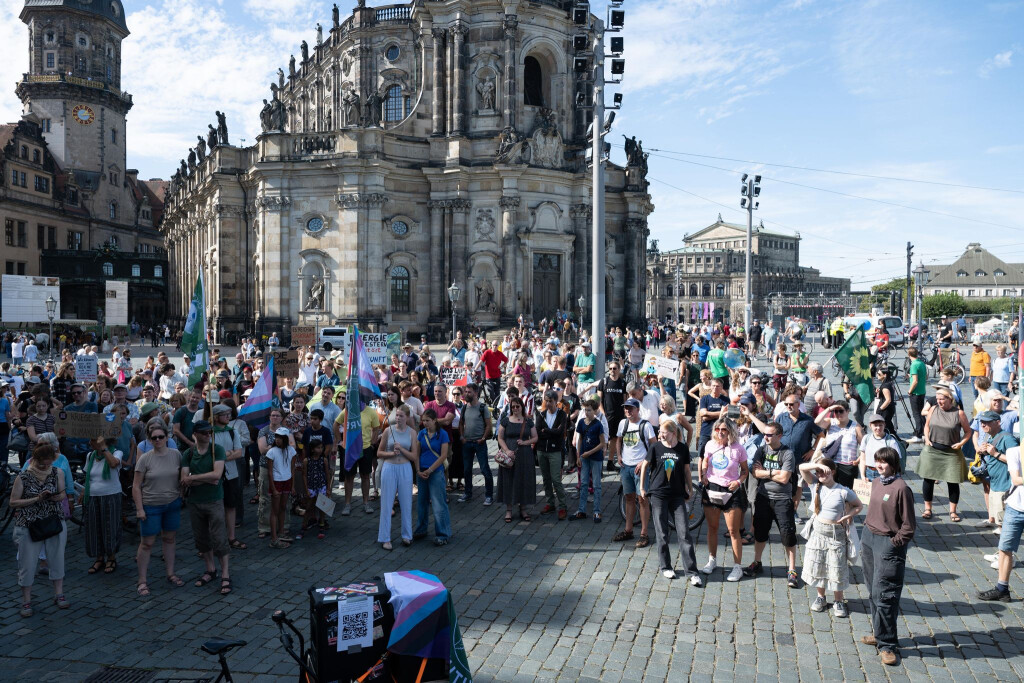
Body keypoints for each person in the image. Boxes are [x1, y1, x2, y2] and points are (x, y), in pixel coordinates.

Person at [860, 447, 916, 667]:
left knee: (886, 594)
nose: (880, 465)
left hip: (887, 544)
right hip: (869, 539)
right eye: (877, 461)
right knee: (873, 591)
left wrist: (893, 545)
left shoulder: (901, 488)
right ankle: (879, 632)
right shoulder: (876, 482)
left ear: (894, 464)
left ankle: (888, 645)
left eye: (884, 462)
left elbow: (909, 526)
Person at [9, 443, 69, 617]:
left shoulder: (57, 472)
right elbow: (13, 502)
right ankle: (26, 601)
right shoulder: (23, 477)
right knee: (27, 563)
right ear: (35, 459)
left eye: (49, 463)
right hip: (29, 524)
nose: (46, 466)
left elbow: (63, 494)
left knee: (57, 559)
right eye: (42, 463)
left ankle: (59, 593)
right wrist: (36, 499)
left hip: (53, 521)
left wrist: (58, 496)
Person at [799, 458, 862, 618]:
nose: (820, 474)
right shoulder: (815, 485)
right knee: (819, 565)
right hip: (818, 534)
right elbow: (802, 468)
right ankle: (821, 597)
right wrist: (818, 465)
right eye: (818, 472)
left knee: (836, 567)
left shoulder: (843, 491)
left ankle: (838, 600)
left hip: (836, 535)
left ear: (833, 472)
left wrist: (848, 515)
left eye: (824, 471)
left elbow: (858, 505)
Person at [639, 420, 700, 585]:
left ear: (673, 432)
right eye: (660, 432)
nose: (660, 434)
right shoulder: (655, 447)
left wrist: (690, 488)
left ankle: (692, 571)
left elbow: (687, 469)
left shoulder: (682, 448)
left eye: (663, 432)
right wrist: (642, 488)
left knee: (684, 533)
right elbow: (645, 466)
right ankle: (666, 567)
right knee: (662, 533)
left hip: (678, 495)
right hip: (658, 495)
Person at [133, 421, 186, 595]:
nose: (157, 440)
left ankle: (170, 573)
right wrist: (139, 509)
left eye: (161, 437)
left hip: (172, 503)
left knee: (169, 539)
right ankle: (142, 581)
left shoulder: (176, 454)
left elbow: (182, 477)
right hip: (151, 505)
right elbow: (136, 486)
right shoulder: (145, 459)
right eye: (154, 437)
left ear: (167, 437)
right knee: (147, 543)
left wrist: (181, 493)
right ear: (149, 439)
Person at [181, 420, 232, 596]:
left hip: (214, 500)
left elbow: (217, 475)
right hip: (195, 501)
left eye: (209, 432)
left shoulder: (216, 450)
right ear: (195, 434)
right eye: (203, 432)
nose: (207, 435)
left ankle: (225, 573)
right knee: (201, 538)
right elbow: (184, 478)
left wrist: (194, 478)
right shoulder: (188, 453)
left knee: (219, 537)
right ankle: (210, 569)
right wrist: (204, 478)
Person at [745, 422, 798, 586]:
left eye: (769, 435)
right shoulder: (761, 450)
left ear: (779, 436)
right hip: (763, 497)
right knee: (760, 533)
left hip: (782, 499)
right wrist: (774, 472)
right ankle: (757, 562)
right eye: (765, 434)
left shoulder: (787, 453)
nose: (765, 437)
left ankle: (792, 570)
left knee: (788, 535)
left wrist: (766, 473)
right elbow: (755, 472)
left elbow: (784, 479)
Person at [699, 418, 749, 582]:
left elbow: (745, 471)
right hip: (712, 490)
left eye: (724, 430)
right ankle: (712, 559)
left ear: (730, 432)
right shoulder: (710, 445)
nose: (720, 432)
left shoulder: (738, 448)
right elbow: (705, 460)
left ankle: (737, 567)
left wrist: (738, 482)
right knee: (712, 528)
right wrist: (704, 473)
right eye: (717, 429)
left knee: (734, 532)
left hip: (731, 492)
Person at [918, 387, 972, 522]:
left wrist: (961, 444)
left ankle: (953, 511)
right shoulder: (933, 409)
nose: (939, 401)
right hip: (932, 450)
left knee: (953, 481)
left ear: (950, 399)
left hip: (951, 452)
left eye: (941, 399)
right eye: (937, 399)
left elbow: (968, 432)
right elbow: (927, 425)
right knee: (928, 479)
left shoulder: (959, 413)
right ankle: (928, 509)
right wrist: (927, 438)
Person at [613, 398, 656, 547]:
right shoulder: (622, 423)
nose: (628, 411)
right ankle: (628, 530)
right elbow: (619, 440)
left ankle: (644, 534)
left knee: (643, 499)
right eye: (626, 408)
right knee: (629, 498)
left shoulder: (645, 425)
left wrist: (643, 462)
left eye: (631, 408)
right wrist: (618, 455)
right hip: (626, 466)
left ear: (638, 410)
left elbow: (653, 446)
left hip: (640, 468)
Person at [376, 405, 418, 550]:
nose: (398, 418)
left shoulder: (412, 433)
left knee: (406, 502)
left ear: (407, 417)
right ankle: (385, 538)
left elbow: (414, 456)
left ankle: (407, 535)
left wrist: (402, 450)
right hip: (389, 468)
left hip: (405, 468)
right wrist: (392, 453)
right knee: (387, 503)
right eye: (397, 415)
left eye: (401, 416)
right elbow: (379, 453)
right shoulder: (388, 430)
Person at [82, 435, 123, 576]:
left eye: (93, 440)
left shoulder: (116, 452)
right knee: (94, 527)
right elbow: (88, 476)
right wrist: (83, 492)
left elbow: (113, 464)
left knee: (110, 526)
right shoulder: (90, 456)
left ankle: (111, 558)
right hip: (93, 496)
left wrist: (104, 448)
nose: (89, 442)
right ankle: (99, 558)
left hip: (111, 495)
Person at [334, 398, 381, 515]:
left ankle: (365, 503)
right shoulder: (348, 410)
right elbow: (336, 424)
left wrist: (372, 443)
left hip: (365, 448)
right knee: (349, 477)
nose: (359, 401)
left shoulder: (371, 412)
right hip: (350, 449)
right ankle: (347, 504)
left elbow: (376, 428)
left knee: (365, 476)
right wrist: (340, 441)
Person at [496, 396, 538, 522]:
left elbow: (535, 437)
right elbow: (500, 437)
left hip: (525, 455)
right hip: (509, 456)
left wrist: (526, 443)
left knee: (524, 480)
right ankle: (509, 510)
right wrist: (507, 450)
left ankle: (523, 508)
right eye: (513, 406)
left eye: (517, 406)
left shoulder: (528, 421)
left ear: (522, 407)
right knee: (509, 481)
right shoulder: (505, 420)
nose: (515, 409)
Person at [414, 409, 452, 545]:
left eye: (427, 421)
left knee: (438, 503)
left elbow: (443, 456)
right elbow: (417, 453)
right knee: (422, 502)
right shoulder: (421, 434)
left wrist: (430, 470)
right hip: (422, 471)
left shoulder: (442, 434)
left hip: (435, 472)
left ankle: (443, 533)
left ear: (435, 420)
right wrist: (418, 470)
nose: (425, 423)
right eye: (423, 421)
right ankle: (421, 528)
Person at [571, 399, 606, 522]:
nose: (586, 412)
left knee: (596, 485)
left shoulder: (598, 424)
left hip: (595, 457)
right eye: (585, 410)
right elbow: (580, 439)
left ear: (595, 411)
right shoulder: (581, 422)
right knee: (584, 483)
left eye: (589, 410)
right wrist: (579, 455)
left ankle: (597, 511)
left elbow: (602, 443)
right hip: (584, 457)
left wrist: (589, 453)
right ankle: (582, 510)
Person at [814, 400, 864, 487]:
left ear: (848, 411)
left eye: (841, 411)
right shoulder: (830, 422)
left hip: (847, 466)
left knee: (845, 493)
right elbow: (817, 422)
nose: (838, 414)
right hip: (829, 463)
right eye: (836, 411)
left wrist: (858, 460)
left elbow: (864, 447)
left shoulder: (855, 426)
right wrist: (829, 409)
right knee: (827, 490)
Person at [535, 390, 569, 519]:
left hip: (555, 451)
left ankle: (562, 506)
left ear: (556, 402)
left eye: (551, 401)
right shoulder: (541, 414)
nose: (548, 403)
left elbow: (560, 432)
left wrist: (547, 431)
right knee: (546, 478)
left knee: (556, 479)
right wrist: (551, 432)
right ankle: (550, 503)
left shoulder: (562, 415)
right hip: (542, 450)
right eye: (546, 401)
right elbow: (538, 432)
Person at [458, 384, 493, 505]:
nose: (466, 394)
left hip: (479, 443)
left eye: (469, 392)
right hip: (467, 443)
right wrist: (462, 436)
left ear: (476, 393)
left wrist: (483, 438)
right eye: (466, 392)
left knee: (485, 469)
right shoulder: (464, 407)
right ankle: (468, 493)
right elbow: (461, 423)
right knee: (467, 470)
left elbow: (488, 425)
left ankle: (489, 495)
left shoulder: (483, 407)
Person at [265, 427, 296, 548]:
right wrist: (273, 489)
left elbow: (292, 469)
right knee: (275, 510)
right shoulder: (271, 452)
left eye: (280, 438)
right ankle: (274, 538)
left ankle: (281, 532)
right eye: (276, 437)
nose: (278, 440)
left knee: (283, 507)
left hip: (287, 481)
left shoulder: (291, 451)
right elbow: (270, 472)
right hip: (277, 482)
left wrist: (292, 486)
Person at [297, 440, 333, 540]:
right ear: (312, 449)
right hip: (311, 486)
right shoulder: (306, 461)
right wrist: (306, 489)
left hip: (321, 485)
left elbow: (327, 473)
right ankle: (304, 525)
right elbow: (304, 475)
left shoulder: (324, 460)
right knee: (308, 507)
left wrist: (328, 488)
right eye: (318, 447)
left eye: (321, 447)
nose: (320, 449)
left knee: (323, 506)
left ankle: (322, 523)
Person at [859, 413, 902, 482]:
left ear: (884, 425)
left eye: (880, 425)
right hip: (869, 472)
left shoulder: (891, 441)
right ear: (870, 426)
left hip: (885, 473)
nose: (878, 428)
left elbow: (896, 461)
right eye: (875, 425)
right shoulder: (866, 438)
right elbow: (863, 459)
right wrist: (862, 475)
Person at [906, 347, 927, 444]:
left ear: (909, 355)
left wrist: (910, 391)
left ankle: (918, 434)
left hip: (915, 392)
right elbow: (925, 376)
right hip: (922, 391)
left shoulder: (914, 365)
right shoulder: (921, 363)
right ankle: (924, 432)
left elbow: (915, 381)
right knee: (921, 413)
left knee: (916, 414)